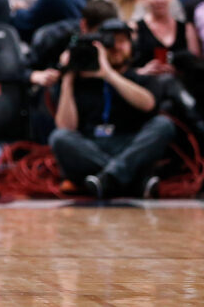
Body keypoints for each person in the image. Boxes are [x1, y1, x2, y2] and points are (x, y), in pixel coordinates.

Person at [48, 17, 176, 199]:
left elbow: (148, 104)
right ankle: (132, 181)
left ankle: (109, 179)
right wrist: (68, 77)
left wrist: (108, 74)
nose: (116, 47)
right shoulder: (81, 82)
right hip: (91, 146)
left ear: (132, 47)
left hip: (129, 146)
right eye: (110, 42)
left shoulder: (141, 77)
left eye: (122, 41)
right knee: (59, 137)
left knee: (163, 125)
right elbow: (66, 127)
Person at [133, 0, 200, 73]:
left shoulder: (186, 29)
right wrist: (143, 71)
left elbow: (196, 64)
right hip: (146, 84)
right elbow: (126, 69)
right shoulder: (135, 28)